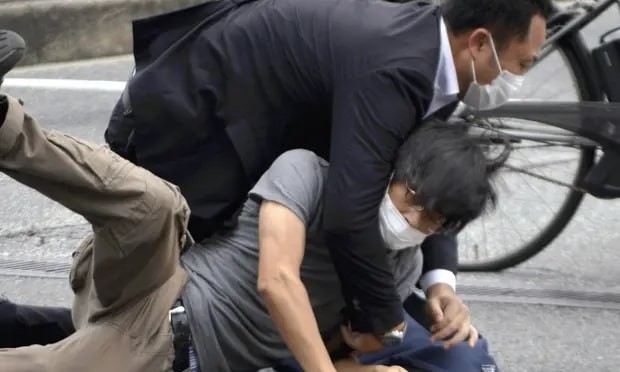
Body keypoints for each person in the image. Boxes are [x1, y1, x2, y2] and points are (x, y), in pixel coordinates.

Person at [104, 0, 552, 343]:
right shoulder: (400, 67)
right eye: (521, 63)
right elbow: (347, 216)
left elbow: (433, 169)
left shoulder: (436, 54)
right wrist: (387, 326)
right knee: (146, 307)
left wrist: (440, 284)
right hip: (177, 122)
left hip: (232, 128)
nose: (517, 78)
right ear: (477, 42)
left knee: (168, 317)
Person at [0, 92, 499, 371]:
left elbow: (332, 354)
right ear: (393, 171)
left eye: (433, 220)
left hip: (162, 349)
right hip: (156, 283)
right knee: (157, 204)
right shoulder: (309, 175)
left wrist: (373, 359)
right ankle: (5, 125)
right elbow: (276, 280)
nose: (413, 219)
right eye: (411, 197)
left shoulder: (400, 267)